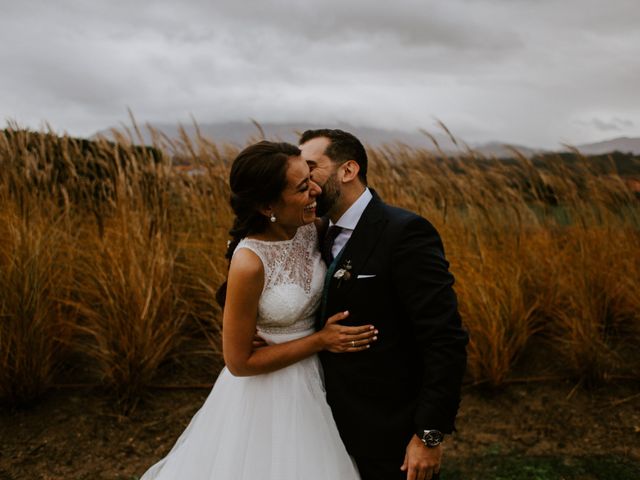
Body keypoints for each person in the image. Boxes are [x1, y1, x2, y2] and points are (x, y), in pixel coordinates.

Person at [139, 141, 377, 480]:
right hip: (268, 392)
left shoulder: (311, 227)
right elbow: (238, 363)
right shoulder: (250, 262)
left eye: (310, 177)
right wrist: (320, 340)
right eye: (301, 187)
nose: (315, 189)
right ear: (267, 206)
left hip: (319, 379)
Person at [298, 129, 469, 480]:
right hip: (319, 429)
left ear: (348, 170)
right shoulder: (311, 232)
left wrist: (429, 435)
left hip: (389, 434)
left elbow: (444, 338)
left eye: (311, 167)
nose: (303, 179)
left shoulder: (405, 232)